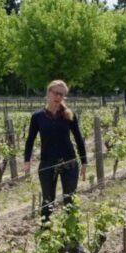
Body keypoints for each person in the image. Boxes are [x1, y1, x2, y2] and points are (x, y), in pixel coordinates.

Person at [22, 80, 88, 220]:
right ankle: (46, 232)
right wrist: (26, 160)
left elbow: (78, 138)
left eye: (62, 95)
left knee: (70, 200)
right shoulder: (37, 116)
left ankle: (71, 235)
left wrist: (84, 161)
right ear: (48, 93)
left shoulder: (69, 115)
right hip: (47, 162)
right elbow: (30, 140)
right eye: (56, 93)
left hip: (69, 162)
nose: (59, 97)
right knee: (47, 200)